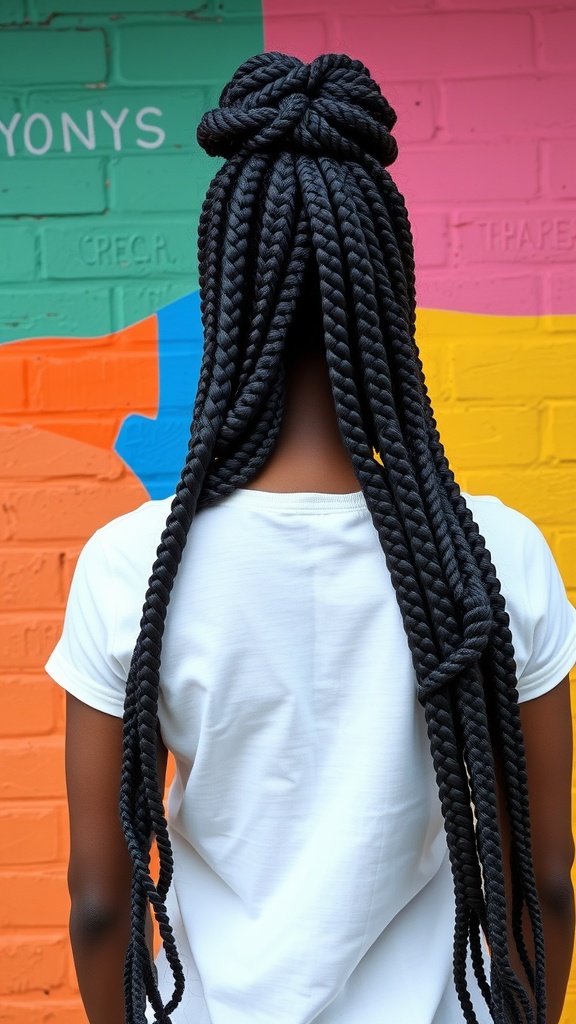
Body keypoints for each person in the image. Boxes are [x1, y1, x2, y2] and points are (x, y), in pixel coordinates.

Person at [45, 51, 576, 1024]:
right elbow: (542, 877)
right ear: (390, 290)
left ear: (225, 288)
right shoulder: (494, 559)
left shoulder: (133, 570)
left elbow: (98, 903)